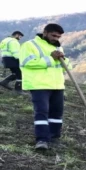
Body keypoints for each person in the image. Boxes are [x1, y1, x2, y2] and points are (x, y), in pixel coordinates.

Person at [20, 23, 71, 151]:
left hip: (57, 85)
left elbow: (66, 67)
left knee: (56, 113)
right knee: (42, 112)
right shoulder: (29, 45)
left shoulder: (59, 48)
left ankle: (54, 137)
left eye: (58, 37)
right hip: (39, 85)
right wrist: (50, 58)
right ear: (45, 32)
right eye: (53, 35)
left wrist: (64, 59)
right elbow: (27, 63)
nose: (56, 39)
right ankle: (42, 139)